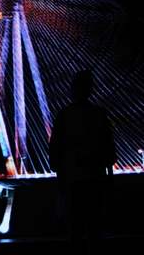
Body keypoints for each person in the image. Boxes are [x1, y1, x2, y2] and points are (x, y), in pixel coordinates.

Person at [49, 69, 116, 254]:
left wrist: (60, 178)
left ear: (72, 90)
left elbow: (54, 153)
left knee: (75, 233)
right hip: (95, 182)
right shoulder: (99, 115)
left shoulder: (64, 116)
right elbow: (109, 153)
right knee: (95, 232)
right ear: (90, 90)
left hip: (73, 183)